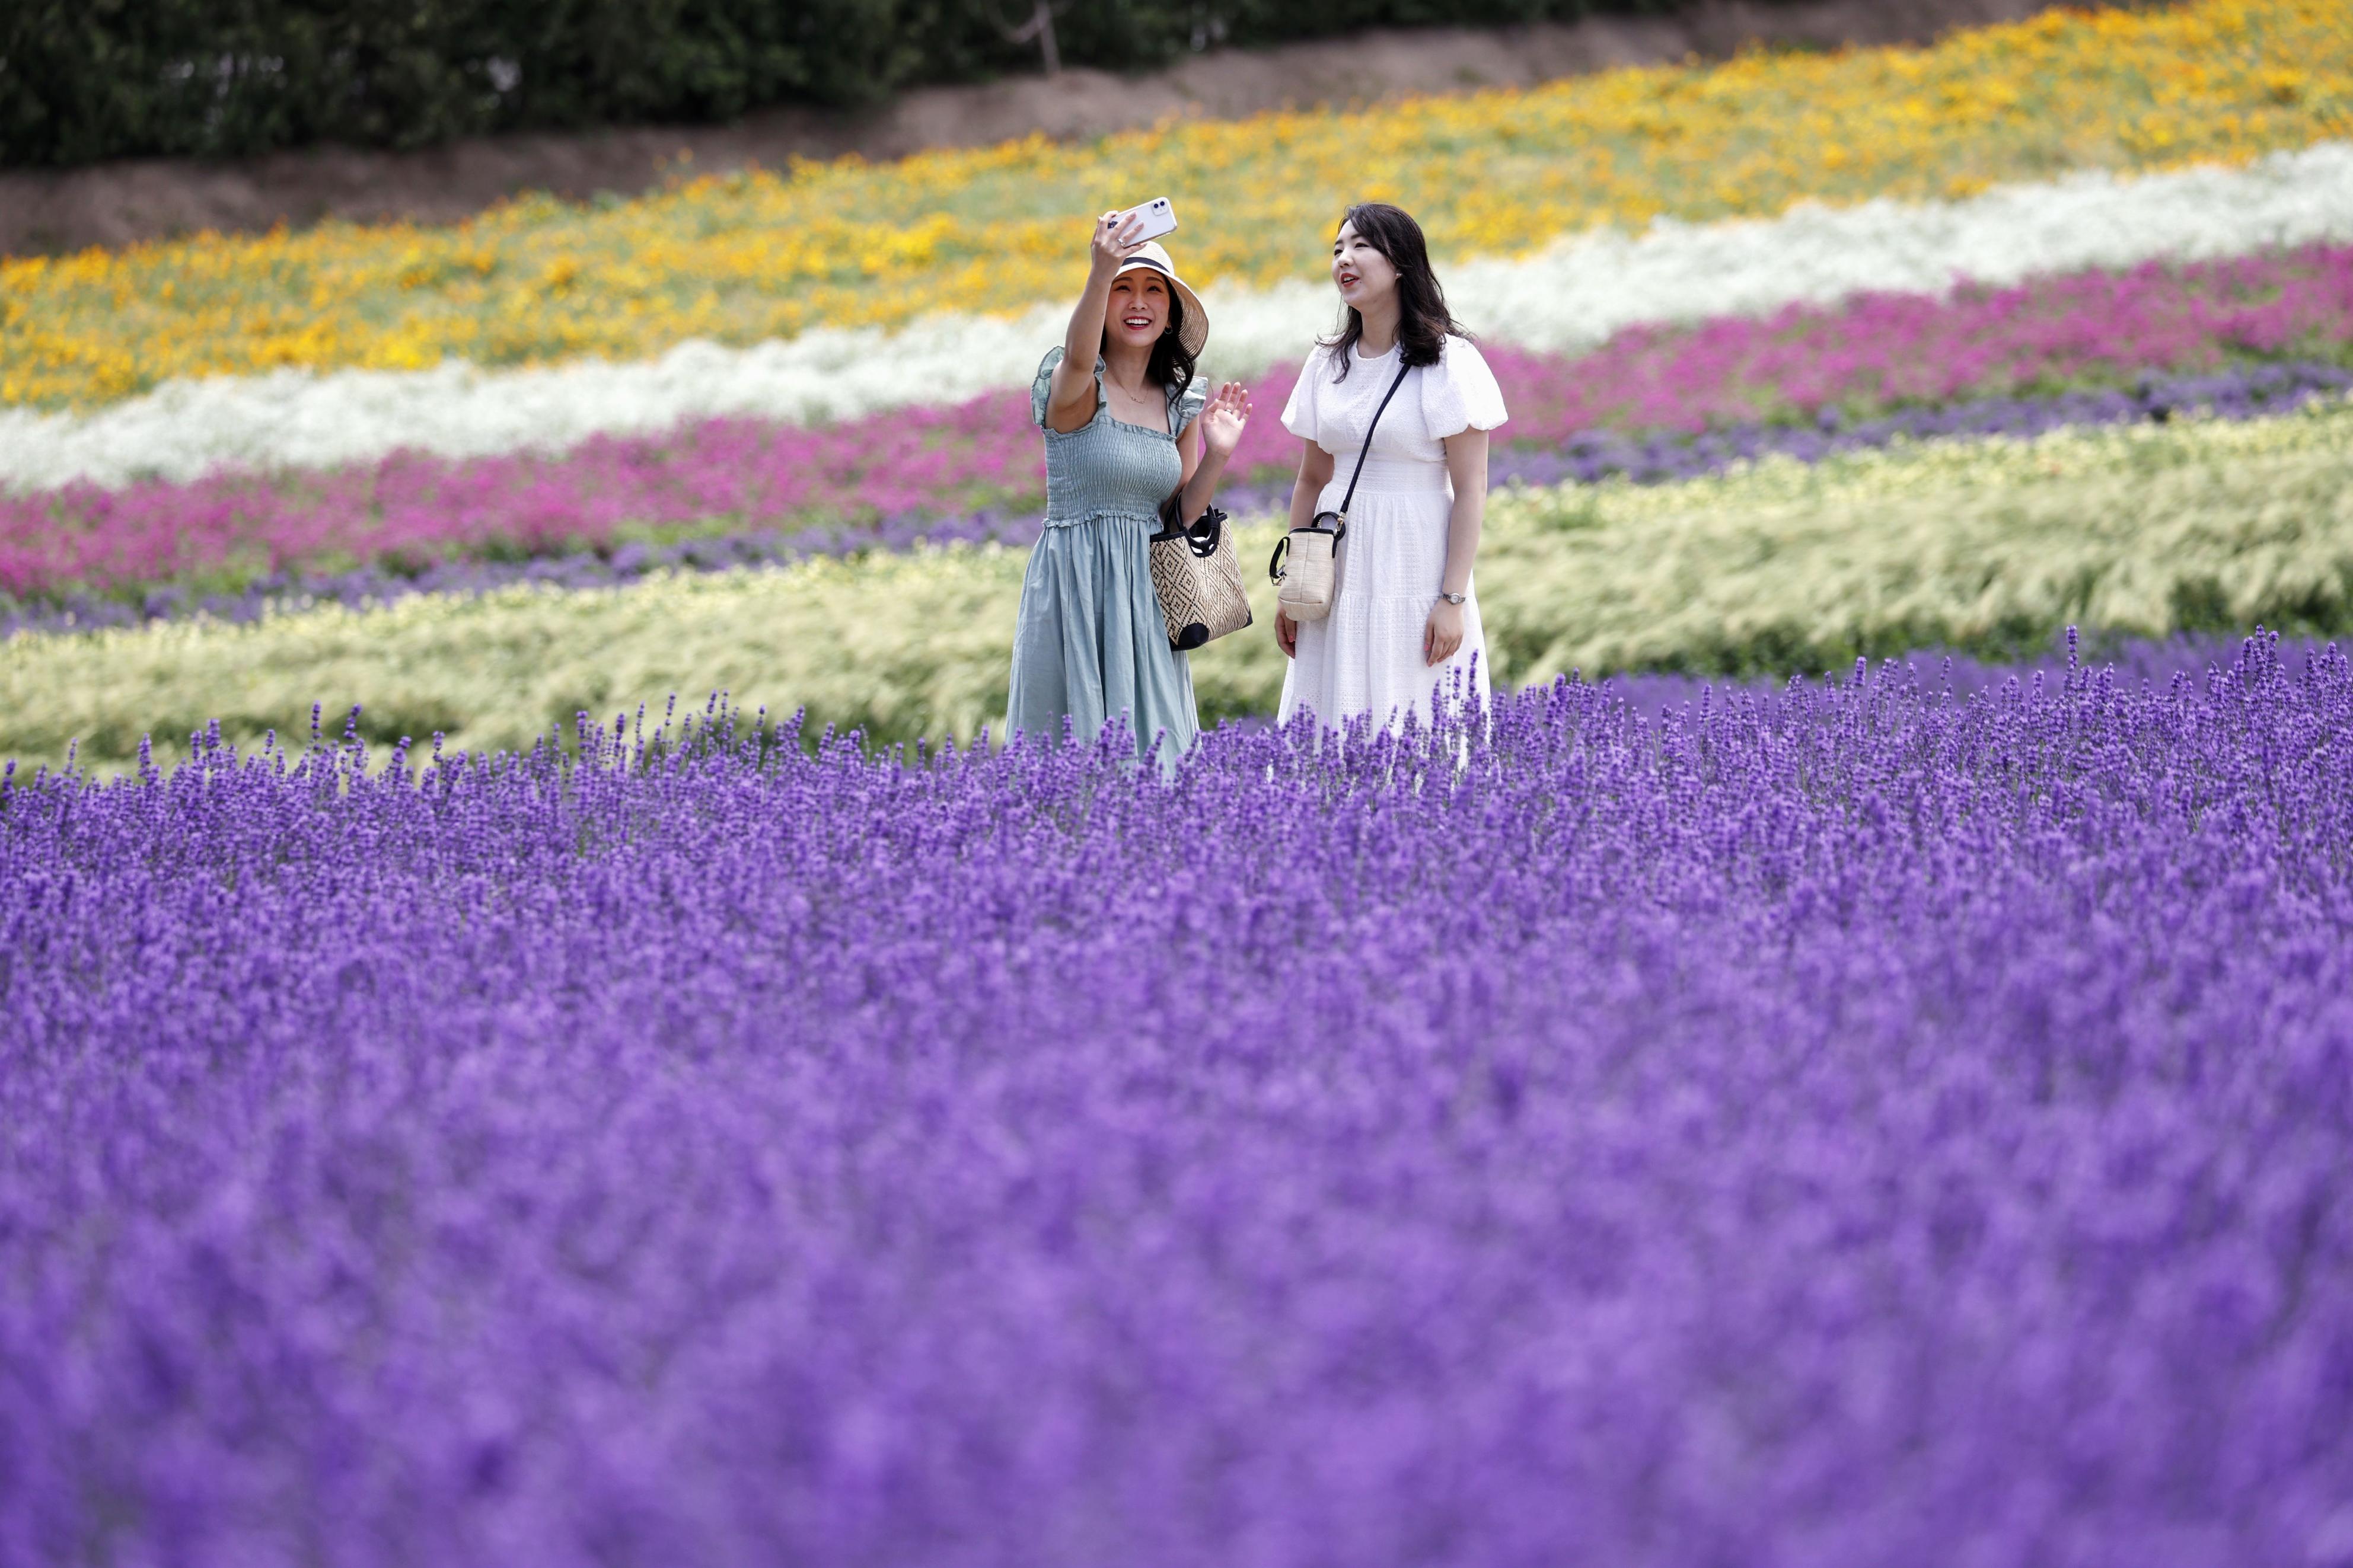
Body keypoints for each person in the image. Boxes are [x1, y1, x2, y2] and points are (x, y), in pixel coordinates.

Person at [1006, 210, 1253, 769]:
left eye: (1151, 290)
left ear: (1170, 313)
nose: (1137, 301)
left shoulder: (1179, 402)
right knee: (1074, 762)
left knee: (1159, 756)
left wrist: (1219, 452)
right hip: (1078, 587)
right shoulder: (1074, 385)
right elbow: (1076, 354)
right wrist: (1101, 270)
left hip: (1148, 598)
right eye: (1123, 289)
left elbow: (1181, 515)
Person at [1274, 202, 1507, 733]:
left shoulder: (1450, 362)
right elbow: (1312, 478)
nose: (1344, 259)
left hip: (1414, 558)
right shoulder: (1326, 362)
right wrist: (1295, 584)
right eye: (1337, 249)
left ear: (1400, 262)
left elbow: (1471, 488)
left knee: (1418, 709)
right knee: (1331, 712)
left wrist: (1451, 599)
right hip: (1338, 561)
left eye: (1361, 246)